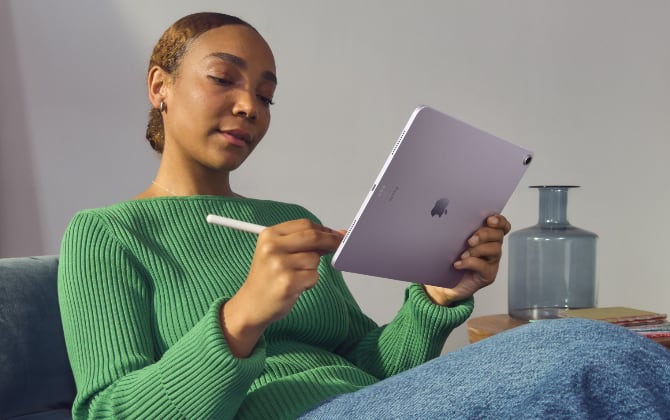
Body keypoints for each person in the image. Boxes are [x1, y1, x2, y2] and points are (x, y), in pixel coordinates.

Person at [57, 12, 670, 420]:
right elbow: (109, 410)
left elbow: (367, 363)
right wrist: (241, 319)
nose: (249, 105)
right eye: (224, 78)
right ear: (159, 86)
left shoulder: (286, 218)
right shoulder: (106, 234)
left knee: (581, 348)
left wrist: (433, 299)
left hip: (372, 403)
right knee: (577, 353)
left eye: (267, 95)